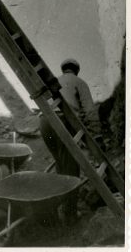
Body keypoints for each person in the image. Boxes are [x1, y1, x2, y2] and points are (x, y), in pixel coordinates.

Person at [39, 58, 101, 223]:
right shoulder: (79, 82)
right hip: (63, 121)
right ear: (76, 70)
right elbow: (90, 111)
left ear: (64, 69)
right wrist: (97, 137)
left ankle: (53, 210)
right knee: (71, 170)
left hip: (45, 123)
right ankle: (70, 215)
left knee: (61, 166)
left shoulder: (55, 81)